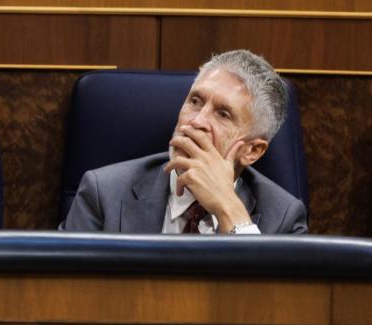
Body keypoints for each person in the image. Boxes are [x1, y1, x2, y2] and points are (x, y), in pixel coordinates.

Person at [61, 49, 307, 235]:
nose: (197, 121)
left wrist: (228, 209)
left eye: (223, 114)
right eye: (195, 101)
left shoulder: (284, 217)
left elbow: (271, 303)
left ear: (252, 151)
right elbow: (64, 295)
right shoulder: (103, 193)